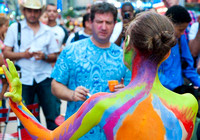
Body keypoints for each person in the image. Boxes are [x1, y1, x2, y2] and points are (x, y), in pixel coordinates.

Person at [2, 11, 198, 139]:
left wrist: (18, 104)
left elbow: (50, 137)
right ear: (167, 54)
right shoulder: (188, 104)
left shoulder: (103, 104)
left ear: (127, 46)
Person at [51, 2, 131, 139]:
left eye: (109, 22)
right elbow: (55, 85)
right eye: (99, 21)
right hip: (76, 131)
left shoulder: (123, 56)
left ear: (115, 24)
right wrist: (72, 94)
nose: (104, 27)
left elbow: (133, 92)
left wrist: (124, 92)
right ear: (90, 22)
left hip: (111, 131)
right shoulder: (72, 51)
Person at [3, 0, 60, 130]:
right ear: (24, 11)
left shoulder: (47, 31)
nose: (33, 14)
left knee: (53, 116)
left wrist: (44, 56)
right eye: (30, 10)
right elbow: (6, 53)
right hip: (23, 79)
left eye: (36, 11)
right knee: (27, 120)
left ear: (40, 12)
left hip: (44, 78)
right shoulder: (15, 28)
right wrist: (24, 54)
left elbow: (55, 55)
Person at [158, 5, 200, 97]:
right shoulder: (156, 41)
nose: (182, 33)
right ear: (169, 23)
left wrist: (198, 81)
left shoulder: (181, 39)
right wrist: (175, 87)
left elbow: (188, 67)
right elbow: (153, 74)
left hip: (179, 94)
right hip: (161, 95)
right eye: (180, 30)